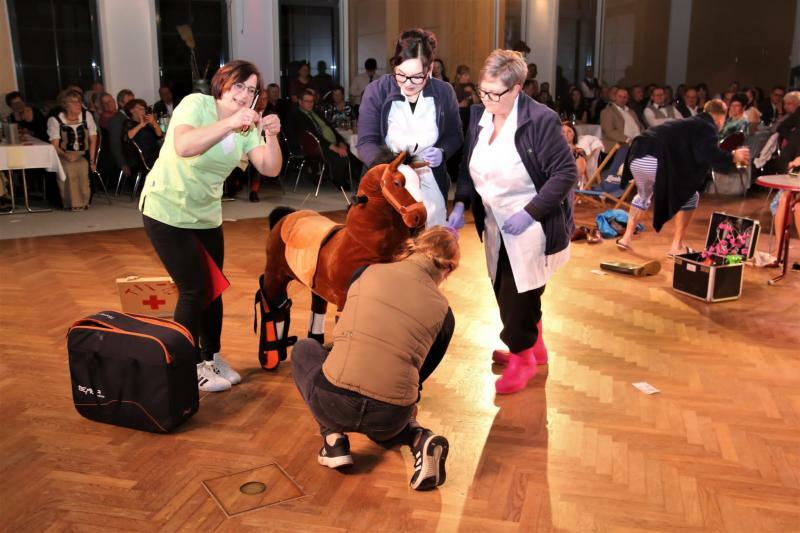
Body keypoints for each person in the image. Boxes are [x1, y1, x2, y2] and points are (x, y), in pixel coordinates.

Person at [139, 60, 282, 392]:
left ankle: (210, 358)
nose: (245, 94)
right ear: (222, 83)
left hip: (205, 216)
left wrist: (271, 136)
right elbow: (184, 146)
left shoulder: (247, 128)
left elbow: (270, 167)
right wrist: (231, 122)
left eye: (252, 89)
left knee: (212, 289)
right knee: (194, 289)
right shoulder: (197, 104)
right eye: (239, 86)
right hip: (166, 210)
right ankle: (183, 367)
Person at [446, 49, 576, 394]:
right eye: (482, 91)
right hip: (494, 222)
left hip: (530, 223)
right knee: (508, 289)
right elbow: (467, 168)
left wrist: (529, 212)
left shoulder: (540, 120)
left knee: (517, 291)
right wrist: (460, 204)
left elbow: (565, 174)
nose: (487, 99)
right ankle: (535, 346)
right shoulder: (478, 115)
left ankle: (523, 358)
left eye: (496, 93)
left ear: (517, 88)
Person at [290, 226, 458, 490]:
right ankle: (417, 437)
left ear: (412, 247)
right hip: (389, 416)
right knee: (393, 410)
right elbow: (422, 371)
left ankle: (333, 441)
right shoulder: (445, 314)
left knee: (304, 349)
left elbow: (349, 324)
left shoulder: (365, 272)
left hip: (334, 403)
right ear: (447, 269)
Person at [615, 99, 751, 255]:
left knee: (643, 195)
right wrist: (733, 156)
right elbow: (707, 154)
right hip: (657, 160)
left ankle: (625, 239)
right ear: (721, 116)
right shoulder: (706, 126)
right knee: (691, 196)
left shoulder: (688, 123)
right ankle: (676, 246)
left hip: (637, 156)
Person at [356, 28, 463, 227]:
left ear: (430, 69)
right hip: (388, 180)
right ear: (394, 65)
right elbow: (365, 143)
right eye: (401, 75)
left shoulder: (444, 92)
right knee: (390, 245)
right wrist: (390, 168)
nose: (408, 83)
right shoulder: (377, 91)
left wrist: (442, 152)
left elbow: (455, 136)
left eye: (417, 77)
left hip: (429, 178)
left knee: (430, 240)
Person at [46, 89, 98, 211]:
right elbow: (54, 145)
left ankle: (84, 200)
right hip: (63, 153)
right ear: (65, 105)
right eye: (73, 102)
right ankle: (70, 202)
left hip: (82, 152)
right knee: (69, 167)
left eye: (79, 101)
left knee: (82, 166)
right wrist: (66, 155)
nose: (78, 104)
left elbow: (93, 140)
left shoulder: (87, 116)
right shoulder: (55, 120)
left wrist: (92, 160)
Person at [292, 88, 353, 189]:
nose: (310, 104)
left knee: (352, 151)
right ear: (300, 102)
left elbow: (331, 128)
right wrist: (334, 147)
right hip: (318, 146)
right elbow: (315, 135)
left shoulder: (316, 112)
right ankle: (340, 183)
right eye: (307, 101)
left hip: (331, 142)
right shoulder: (298, 116)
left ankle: (350, 178)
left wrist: (341, 141)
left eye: (312, 101)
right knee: (338, 157)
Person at [122, 99, 164, 168]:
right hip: (143, 160)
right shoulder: (128, 123)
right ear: (131, 110)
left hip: (156, 155)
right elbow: (127, 137)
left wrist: (154, 123)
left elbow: (159, 136)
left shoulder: (146, 124)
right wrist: (141, 125)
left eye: (144, 109)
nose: (143, 110)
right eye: (139, 108)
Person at [600, 86, 643, 151]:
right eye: (620, 97)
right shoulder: (607, 112)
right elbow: (609, 132)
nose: (622, 99)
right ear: (615, 97)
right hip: (620, 143)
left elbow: (639, 125)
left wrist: (644, 136)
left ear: (627, 99)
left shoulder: (631, 111)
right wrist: (627, 139)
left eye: (625, 97)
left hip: (636, 141)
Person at [108, 89, 136, 180]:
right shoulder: (117, 120)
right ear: (121, 103)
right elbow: (115, 144)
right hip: (129, 159)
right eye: (129, 102)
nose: (132, 105)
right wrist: (123, 164)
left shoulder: (132, 116)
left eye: (133, 101)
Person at [562, 121, 588, 186]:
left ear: (574, 134)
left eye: (569, 131)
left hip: (570, 184)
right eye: (563, 132)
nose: (566, 134)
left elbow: (579, 172)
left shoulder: (579, 152)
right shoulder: (556, 150)